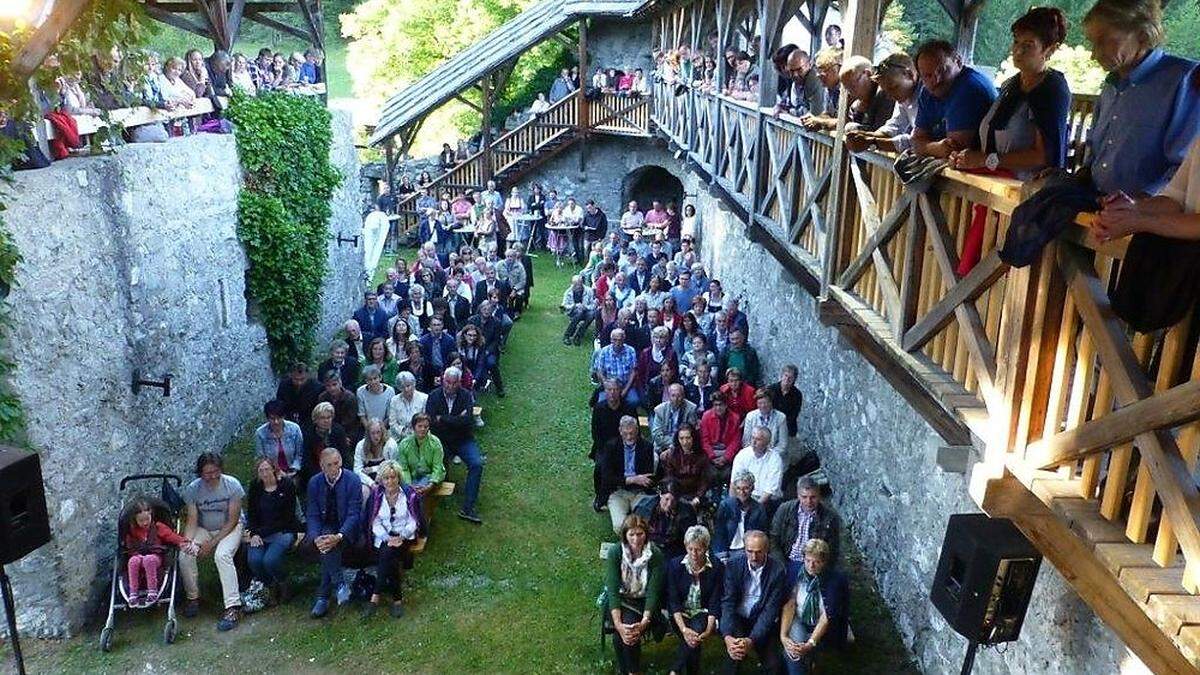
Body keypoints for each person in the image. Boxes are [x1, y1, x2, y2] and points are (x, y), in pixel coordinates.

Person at [1083, 0, 1200, 197]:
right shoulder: (1111, 85)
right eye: (1092, 43)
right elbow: (1095, 149)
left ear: (1143, 35)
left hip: (1151, 216)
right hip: (1097, 204)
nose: (1094, 55)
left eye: (1104, 40)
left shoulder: (1182, 79)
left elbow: (1183, 165)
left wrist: (1140, 204)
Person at [948, 8, 1070, 179]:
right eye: (1016, 42)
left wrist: (987, 160)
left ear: (1049, 50)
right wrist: (966, 157)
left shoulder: (1051, 89)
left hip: (1025, 190)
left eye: (1028, 45)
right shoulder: (1011, 86)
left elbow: (1044, 155)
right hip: (994, 183)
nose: (1018, 51)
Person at [179, 452, 245, 631]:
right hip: (204, 527)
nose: (212, 476)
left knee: (222, 555)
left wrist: (212, 543)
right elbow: (192, 520)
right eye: (207, 473)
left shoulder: (232, 485)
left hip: (229, 527)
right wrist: (188, 541)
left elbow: (233, 520)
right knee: (185, 555)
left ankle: (232, 606)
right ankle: (193, 597)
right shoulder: (193, 489)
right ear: (200, 473)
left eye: (215, 471)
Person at [912, 40, 999, 158]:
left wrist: (927, 147)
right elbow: (916, 141)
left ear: (958, 62)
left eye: (942, 70)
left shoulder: (970, 87)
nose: (936, 80)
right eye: (927, 75)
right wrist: (934, 147)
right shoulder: (927, 91)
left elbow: (954, 149)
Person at [304, 448, 363, 618]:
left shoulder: (352, 480)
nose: (333, 468)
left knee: (329, 546)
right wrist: (316, 537)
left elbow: (354, 514)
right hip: (326, 527)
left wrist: (339, 536)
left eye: (336, 463)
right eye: (329, 465)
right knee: (325, 544)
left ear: (341, 462)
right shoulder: (314, 483)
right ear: (322, 466)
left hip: (348, 528)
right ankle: (340, 584)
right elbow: (313, 513)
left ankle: (323, 596)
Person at [604, 514, 666, 675]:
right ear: (625, 535)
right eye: (632, 534)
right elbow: (612, 589)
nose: (636, 539)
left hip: (644, 601)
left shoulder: (655, 554)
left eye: (640, 534)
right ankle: (630, 671)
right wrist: (617, 623)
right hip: (622, 600)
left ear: (646, 534)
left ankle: (631, 671)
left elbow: (653, 591)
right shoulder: (615, 552)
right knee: (621, 635)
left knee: (629, 632)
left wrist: (645, 622)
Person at [362, 460, 423, 619]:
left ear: (398, 478)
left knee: (388, 553)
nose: (390, 481)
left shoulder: (409, 494)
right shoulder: (377, 495)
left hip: (405, 536)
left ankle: (375, 596)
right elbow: (374, 521)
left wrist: (401, 536)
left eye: (393, 477)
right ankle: (397, 600)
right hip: (384, 537)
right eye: (386, 478)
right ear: (381, 480)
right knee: (389, 555)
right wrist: (386, 537)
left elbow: (413, 520)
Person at [780, 539, 850, 674]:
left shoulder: (835, 581)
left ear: (824, 562)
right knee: (794, 650)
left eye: (816, 562)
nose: (811, 566)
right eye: (807, 560)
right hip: (799, 619)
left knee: (812, 653)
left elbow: (827, 616)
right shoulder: (795, 572)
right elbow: (789, 605)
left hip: (821, 623)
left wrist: (811, 643)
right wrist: (783, 636)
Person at [720, 530, 786, 672]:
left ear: (767, 550)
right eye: (749, 551)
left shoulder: (777, 570)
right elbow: (728, 602)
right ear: (744, 549)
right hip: (738, 618)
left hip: (761, 618)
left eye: (759, 552)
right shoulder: (734, 565)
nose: (754, 557)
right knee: (734, 654)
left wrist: (751, 640)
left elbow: (770, 610)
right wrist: (727, 636)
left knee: (774, 665)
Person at [426, 366, 485, 524]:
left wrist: (443, 419)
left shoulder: (466, 396)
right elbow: (432, 421)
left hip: (463, 439)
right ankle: (440, 494)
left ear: (459, 382)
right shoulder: (433, 396)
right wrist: (456, 419)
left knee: (477, 464)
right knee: (440, 464)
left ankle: (468, 507)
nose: (450, 386)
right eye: (447, 382)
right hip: (441, 440)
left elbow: (467, 421)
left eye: (454, 383)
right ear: (443, 380)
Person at [667, 525, 724, 675]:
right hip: (681, 614)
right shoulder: (674, 566)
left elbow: (715, 601)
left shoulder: (716, 567)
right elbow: (673, 601)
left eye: (698, 549)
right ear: (685, 546)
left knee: (696, 633)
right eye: (690, 549)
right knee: (692, 638)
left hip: (703, 613)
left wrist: (709, 628)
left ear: (706, 548)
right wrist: (684, 629)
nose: (694, 553)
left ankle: (674, 670)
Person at [121, 498, 198, 608]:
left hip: (155, 557)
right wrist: (134, 554)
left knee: (149, 559)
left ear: (151, 515)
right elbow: (129, 547)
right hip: (138, 556)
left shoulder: (158, 527)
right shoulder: (132, 531)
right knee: (133, 561)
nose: (145, 523)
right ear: (135, 520)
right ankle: (133, 592)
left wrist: (183, 542)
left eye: (147, 519)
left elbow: (171, 536)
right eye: (141, 521)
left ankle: (153, 590)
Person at [244, 457, 300, 604]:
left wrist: (260, 533)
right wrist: (254, 533)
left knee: (270, 560)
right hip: (260, 532)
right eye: (261, 470)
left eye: (267, 469)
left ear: (274, 469)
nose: (264, 473)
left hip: (283, 531)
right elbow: (252, 514)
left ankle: (284, 583)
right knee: (254, 560)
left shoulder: (287, 485)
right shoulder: (255, 487)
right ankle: (270, 585)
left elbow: (287, 518)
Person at [771, 477, 843, 582]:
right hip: (788, 559)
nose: (808, 501)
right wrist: (781, 564)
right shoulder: (785, 509)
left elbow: (832, 549)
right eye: (804, 497)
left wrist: (821, 568)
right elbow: (774, 538)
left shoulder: (829, 517)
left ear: (819, 496)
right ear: (798, 495)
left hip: (814, 563)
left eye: (813, 497)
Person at [846, 53, 921, 154]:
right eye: (887, 91)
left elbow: (919, 141)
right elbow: (895, 127)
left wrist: (873, 141)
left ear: (909, 74)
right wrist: (867, 136)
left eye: (893, 87)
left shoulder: (927, 93)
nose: (890, 96)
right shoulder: (903, 97)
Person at [600, 416, 656, 533]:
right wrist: (632, 479)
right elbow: (607, 478)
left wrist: (639, 482)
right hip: (618, 492)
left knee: (642, 526)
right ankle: (627, 548)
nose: (629, 437)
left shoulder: (646, 447)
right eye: (625, 433)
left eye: (632, 433)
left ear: (637, 430)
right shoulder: (611, 447)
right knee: (620, 526)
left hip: (640, 492)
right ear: (620, 431)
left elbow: (647, 476)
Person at [592, 379, 639, 511]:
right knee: (600, 467)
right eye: (609, 390)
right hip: (605, 447)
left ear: (620, 391)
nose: (612, 393)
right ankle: (600, 496)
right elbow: (596, 434)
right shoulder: (599, 409)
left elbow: (636, 431)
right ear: (605, 391)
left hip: (627, 445)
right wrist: (608, 451)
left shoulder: (629, 408)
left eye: (615, 389)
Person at [713, 471, 768, 562]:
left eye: (746, 488)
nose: (742, 492)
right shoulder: (726, 505)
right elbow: (720, 533)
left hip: (749, 552)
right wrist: (722, 556)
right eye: (738, 488)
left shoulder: (759, 509)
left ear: (752, 488)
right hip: (728, 550)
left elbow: (761, 534)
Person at [730, 427, 783, 517]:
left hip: (766, 500)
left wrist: (752, 508)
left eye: (758, 439)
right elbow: (733, 483)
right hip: (744, 496)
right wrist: (733, 504)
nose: (753, 442)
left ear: (767, 443)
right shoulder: (742, 454)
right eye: (752, 438)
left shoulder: (775, 459)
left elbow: (769, 492)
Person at [657, 423, 709, 509]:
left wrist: (698, 497)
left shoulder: (702, 456)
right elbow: (669, 478)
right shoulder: (671, 455)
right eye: (681, 438)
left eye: (688, 438)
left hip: (695, 493)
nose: (685, 442)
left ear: (693, 438)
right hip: (676, 494)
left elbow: (704, 480)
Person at [302, 401, 350, 489]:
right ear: (315, 419)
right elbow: (307, 460)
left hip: (337, 469)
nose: (326, 421)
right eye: (322, 418)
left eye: (329, 417)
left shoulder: (338, 431)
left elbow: (344, 455)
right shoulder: (309, 433)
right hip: (317, 471)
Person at [396, 412, 446, 494]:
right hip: (412, 476)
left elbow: (437, 467)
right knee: (405, 490)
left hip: (430, 476)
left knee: (418, 492)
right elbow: (404, 468)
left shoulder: (435, 443)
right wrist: (409, 484)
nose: (423, 429)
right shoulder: (404, 444)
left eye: (426, 427)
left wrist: (431, 484)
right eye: (420, 426)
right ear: (413, 427)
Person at [254, 400, 304, 478]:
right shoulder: (260, 433)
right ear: (267, 418)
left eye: (279, 418)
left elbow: (299, 453)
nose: (276, 422)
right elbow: (261, 457)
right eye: (272, 418)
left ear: (283, 416)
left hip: (294, 472)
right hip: (271, 473)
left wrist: (293, 470)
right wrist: (276, 472)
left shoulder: (295, 429)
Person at [593, 328, 641, 409]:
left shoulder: (631, 351)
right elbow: (599, 370)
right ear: (611, 340)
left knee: (634, 401)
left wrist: (625, 390)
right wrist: (606, 386)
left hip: (625, 385)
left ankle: (625, 412)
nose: (617, 343)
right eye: (615, 340)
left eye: (620, 340)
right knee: (601, 401)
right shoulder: (604, 351)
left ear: (624, 339)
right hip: (610, 385)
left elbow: (633, 372)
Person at [319, 370, 363, 449]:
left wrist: (342, 436)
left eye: (334, 384)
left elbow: (351, 422)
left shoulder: (350, 398)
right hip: (327, 430)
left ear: (340, 383)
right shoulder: (322, 398)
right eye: (328, 386)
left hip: (348, 432)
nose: (332, 388)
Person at [651, 383, 700, 453]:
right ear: (668, 396)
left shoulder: (691, 408)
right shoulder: (660, 410)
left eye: (679, 396)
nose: (676, 399)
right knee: (655, 460)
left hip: (684, 445)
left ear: (683, 396)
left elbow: (690, 432)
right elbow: (656, 435)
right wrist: (672, 443)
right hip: (662, 445)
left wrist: (677, 444)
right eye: (673, 396)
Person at [741, 388, 788, 455]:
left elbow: (783, 445)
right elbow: (746, 441)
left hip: (774, 455)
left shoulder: (781, 417)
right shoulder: (750, 416)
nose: (763, 406)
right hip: (753, 454)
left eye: (765, 403)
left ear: (771, 402)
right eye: (760, 403)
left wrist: (769, 455)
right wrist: (756, 453)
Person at [354, 419, 399, 485]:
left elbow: (394, 465)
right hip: (366, 478)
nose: (376, 436)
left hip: (387, 476)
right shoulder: (360, 446)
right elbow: (357, 469)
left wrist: (373, 469)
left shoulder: (390, 444)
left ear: (382, 432)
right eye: (373, 433)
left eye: (378, 432)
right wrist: (371, 483)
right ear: (368, 434)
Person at [562, 274, 597, 345]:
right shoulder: (568, 292)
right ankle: (567, 335)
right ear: (572, 284)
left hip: (586, 311)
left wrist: (586, 307)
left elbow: (593, 305)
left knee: (592, 314)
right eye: (576, 285)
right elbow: (564, 306)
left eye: (579, 285)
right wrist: (574, 306)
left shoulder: (589, 291)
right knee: (579, 312)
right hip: (573, 312)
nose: (578, 287)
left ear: (582, 283)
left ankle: (578, 336)